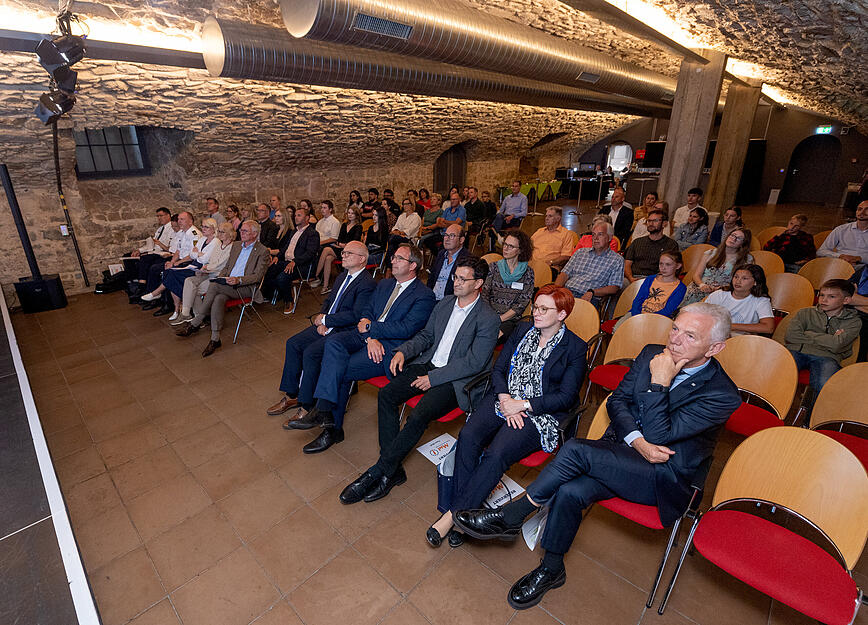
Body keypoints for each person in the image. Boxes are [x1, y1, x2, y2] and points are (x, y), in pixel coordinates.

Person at [452, 303, 741, 609]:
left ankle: (514, 514)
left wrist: (660, 382)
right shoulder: (650, 353)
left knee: (575, 449)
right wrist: (636, 439)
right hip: (621, 452)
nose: (675, 339)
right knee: (569, 489)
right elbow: (617, 403)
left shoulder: (722, 395)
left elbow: (660, 436)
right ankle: (551, 569)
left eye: (690, 336)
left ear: (715, 348)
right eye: (675, 328)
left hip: (662, 476)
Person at [426, 285, 586, 546]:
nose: (536, 312)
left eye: (545, 309)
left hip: (538, 412)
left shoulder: (575, 348)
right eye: (536, 306)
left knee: (497, 453)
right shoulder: (522, 330)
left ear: (562, 315)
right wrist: (505, 398)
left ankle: (452, 517)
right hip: (505, 397)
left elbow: (567, 397)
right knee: (468, 435)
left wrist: (522, 405)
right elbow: (499, 369)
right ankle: (465, 514)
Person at [339, 257, 500, 505]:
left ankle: (377, 471)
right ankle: (391, 470)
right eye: (455, 277)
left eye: (462, 279)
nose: (455, 282)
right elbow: (426, 336)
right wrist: (404, 350)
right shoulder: (446, 303)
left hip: (455, 379)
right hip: (428, 364)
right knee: (387, 395)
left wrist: (432, 379)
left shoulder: (488, 318)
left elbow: (474, 362)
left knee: (418, 415)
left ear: (478, 283)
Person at [290, 244, 436, 452]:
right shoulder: (385, 284)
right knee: (333, 342)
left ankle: (330, 426)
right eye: (393, 257)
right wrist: (369, 336)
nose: (392, 261)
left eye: (398, 258)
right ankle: (324, 414)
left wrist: (371, 329)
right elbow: (366, 311)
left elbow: (406, 328)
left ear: (413, 265)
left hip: (389, 349)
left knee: (340, 369)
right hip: (368, 338)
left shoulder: (424, 295)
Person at [268, 241, 377, 427]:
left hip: (345, 329)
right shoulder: (343, 276)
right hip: (328, 323)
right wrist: (321, 317)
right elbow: (329, 300)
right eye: (343, 252)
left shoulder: (367, 283)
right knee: (293, 343)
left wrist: (328, 321)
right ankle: (292, 394)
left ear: (361, 259)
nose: (343, 255)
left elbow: (355, 315)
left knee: (311, 353)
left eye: (348, 253)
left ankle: (307, 404)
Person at [174, 220, 272, 357]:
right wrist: (221, 277)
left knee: (214, 286)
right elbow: (227, 267)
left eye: (245, 231)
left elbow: (257, 276)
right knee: (219, 298)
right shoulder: (237, 246)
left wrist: (239, 280)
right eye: (241, 230)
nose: (241, 233)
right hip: (227, 284)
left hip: (246, 287)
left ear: (255, 234)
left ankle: (196, 322)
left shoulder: (262, 251)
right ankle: (215, 339)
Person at [785, 279, 861, 411]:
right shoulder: (805, 313)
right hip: (797, 351)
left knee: (823, 386)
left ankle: (808, 422)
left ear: (846, 300)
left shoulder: (853, 321)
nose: (824, 300)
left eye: (831, 297)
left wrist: (807, 334)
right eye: (821, 295)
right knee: (779, 371)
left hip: (827, 357)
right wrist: (830, 339)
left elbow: (837, 345)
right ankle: (770, 411)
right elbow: (791, 336)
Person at [173, 222, 237, 326]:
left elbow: (220, 265)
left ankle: (197, 317)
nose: (219, 234)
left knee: (194, 289)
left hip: (219, 277)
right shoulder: (220, 244)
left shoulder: (232, 247)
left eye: (222, 232)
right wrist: (204, 268)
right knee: (189, 281)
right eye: (219, 231)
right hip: (209, 273)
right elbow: (209, 260)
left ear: (230, 233)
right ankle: (188, 314)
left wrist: (206, 268)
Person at [159, 217, 221, 322]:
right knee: (171, 273)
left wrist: (198, 254)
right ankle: (190, 313)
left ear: (213, 228)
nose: (203, 228)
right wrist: (198, 254)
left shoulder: (216, 242)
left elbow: (204, 258)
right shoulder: (202, 239)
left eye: (206, 227)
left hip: (204, 270)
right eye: (202, 226)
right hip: (195, 265)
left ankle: (182, 310)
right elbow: (193, 254)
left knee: (175, 276)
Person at [139, 211, 201, 315]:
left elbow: (192, 255)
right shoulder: (182, 233)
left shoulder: (194, 234)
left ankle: (165, 302)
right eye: (179, 219)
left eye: (182, 219)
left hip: (190, 262)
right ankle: (172, 306)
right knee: (164, 269)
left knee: (169, 273)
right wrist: (172, 261)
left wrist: (177, 262)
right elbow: (178, 250)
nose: (179, 221)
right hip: (180, 261)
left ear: (190, 221)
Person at [614, 250, 686, 331]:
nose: (663, 267)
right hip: (637, 314)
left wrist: (647, 319)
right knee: (618, 330)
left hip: (658, 320)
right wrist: (637, 315)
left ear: (678, 266)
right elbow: (638, 300)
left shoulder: (680, 288)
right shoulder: (650, 279)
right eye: (661, 264)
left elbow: (668, 310)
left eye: (668, 264)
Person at [482, 231, 535, 342]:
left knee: (490, 338)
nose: (505, 248)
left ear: (520, 250)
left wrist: (500, 319)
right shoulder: (494, 267)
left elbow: (522, 303)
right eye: (505, 244)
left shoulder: (528, 273)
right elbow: (485, 294)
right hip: (489, 315)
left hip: (510, 319)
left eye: (511, 246)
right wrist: (490, 317)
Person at [680, 227, 754, 307]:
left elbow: (744, 282)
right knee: (692, 295)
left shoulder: (746, 259)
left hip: (723, 291)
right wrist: (702, 285)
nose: (733, 239)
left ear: (743, 243)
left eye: (738, 238)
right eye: (732, 235)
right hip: (700, 287)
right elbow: (696, 275)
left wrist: (722, 288)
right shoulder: (710, 253)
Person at [555, 221, 624, 306]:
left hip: (589, 297)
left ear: (610, 238)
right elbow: (564, 274)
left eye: (600, 234)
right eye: (593, 234)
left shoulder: (616, 260)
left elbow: (614, 287)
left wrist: (593, 292)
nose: (596, 238)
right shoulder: (580, 253)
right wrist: (555, 290)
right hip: (567, 292)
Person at [273, 206, 320, 313]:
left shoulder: (312, 233)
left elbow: (310, 254)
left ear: (307, 218)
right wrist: (277, 256)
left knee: (281, 277)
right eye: (295, 216)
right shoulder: (293, 231)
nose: (296, 218)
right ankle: (280, 294)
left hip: (301, 266)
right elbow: (286, 247)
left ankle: (289, 300)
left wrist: (295, 262)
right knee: (269, 270)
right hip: (287, 262)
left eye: (299, 215)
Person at [705, 264, 775, 335]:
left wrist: (730, 326)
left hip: (743, 339)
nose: (738, 281)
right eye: (736, 277)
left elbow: (768, 328)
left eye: (744, 278)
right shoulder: (719, 295)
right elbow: (700, 315)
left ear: (755, 282)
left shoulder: (761, 300)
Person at [313, 205, 364, 294]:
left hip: (350, 251)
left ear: (356, 215)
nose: (350, 215)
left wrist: (344, 245)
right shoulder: (344, 225)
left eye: (352, 213)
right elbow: (339, 238)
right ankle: (325, 286)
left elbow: (355, 240)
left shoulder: (358, 227)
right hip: (341, 249)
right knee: (328, 258)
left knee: (326, 249)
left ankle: (316, 274)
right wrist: (341, 244)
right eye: (349, 213)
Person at [125, 207, 175, 299]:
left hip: (163, 253)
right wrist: (139, 250)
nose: (159, 218)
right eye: (158, 216)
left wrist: (152, 251)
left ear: (168, 216)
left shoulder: (172, 229)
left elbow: (169, 247)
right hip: (155, 251)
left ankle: (142, 287)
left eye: (161, 216)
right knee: (128, 257)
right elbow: (152, 245)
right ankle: (132, 285)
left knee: (146, 260)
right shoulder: (160, 229)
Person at [623, 209, 679, 283]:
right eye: (649, 221)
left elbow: (670, 269)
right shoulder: (637, 242)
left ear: (664, 224)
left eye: (655, 221)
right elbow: (627, 265)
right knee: (619, 284)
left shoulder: (671, 245)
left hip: (655, 280)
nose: (651, 223)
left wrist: (648, 281)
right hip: (632, 278)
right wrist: (630, 278)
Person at [816, 201, 868, 270]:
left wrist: (860, 258)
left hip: (864, 268)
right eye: (860, 209)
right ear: (856, 212)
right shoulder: (841, 229)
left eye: (867, 209)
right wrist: (840, 256)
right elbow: (821, 251)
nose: (862, 212)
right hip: (839, 265)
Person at [427, 224, 471, 301]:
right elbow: (432, 277)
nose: (447, 239)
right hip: (432, 298)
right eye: (446, 235)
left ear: (461, 240)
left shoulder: (467, 259)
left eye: (452, 236)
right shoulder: (441, 254)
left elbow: (465, 290)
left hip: (450, 302)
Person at [262, 207, 296, 302]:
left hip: (283, 258)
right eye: (275, 216)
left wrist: (271, 252)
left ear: (285, 217)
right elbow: (270, 245)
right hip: (273, 255)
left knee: (269, 271)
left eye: (279, 216)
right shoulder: (275, 229)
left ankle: (276, 293)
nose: (276, 218)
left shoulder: (290, 232)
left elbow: (284, 249)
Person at [531, 207, 575, 271]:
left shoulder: (566, 234)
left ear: (558, 218)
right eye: (546, 216)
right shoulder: (539, 231)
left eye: (550, 216)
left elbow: (566, 256)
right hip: (532, 264)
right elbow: (527, 247)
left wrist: (551, 262)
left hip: (550, 267)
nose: (546, 218)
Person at [385, 198, 423, 268]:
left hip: (409, 239)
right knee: (392, 245)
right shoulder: (401, 216)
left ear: (412, 205)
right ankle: (390, 267)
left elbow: (410, 231)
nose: (405, 206)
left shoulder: (416, 217)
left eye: (407, 204)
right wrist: (397, 232)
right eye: (403, 204)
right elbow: (395, 227)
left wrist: (399, 232)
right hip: (398, 238)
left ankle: (389, 267)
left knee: (392, 239)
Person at [848, 265, 868, 362]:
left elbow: (849, 299)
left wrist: (856, 301)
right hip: (853, 312)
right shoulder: (864, 270)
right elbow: (843, 294)